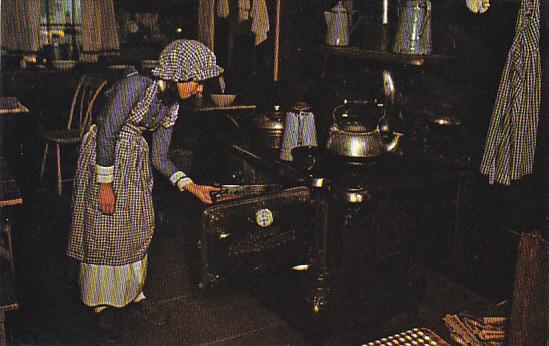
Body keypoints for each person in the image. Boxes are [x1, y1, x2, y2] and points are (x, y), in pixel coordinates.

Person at [66, 40, 222, 333]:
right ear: (178, 73)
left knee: (139, 223)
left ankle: (134, 295)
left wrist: (192, 186)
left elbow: (160, 157)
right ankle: (101, 305)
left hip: (134, 158)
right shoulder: (136, 85)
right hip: (105, 156)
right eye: (198, 81)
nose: (201, 88)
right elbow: (108, 131)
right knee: (105, 227)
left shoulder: (172, 105)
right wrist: (104, 184)